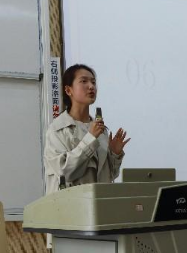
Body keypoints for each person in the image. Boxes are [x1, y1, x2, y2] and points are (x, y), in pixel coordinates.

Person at [44, 64, 130, 196]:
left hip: (98, 203)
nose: (91, 86)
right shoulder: (57, 129)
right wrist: (90, 138)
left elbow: (109, 175)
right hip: (70, 204)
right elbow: (64, 173)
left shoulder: (100, 130)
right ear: (68, 90)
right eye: (84, 81)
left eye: (93, 82)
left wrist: (114, 154)